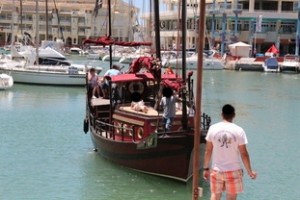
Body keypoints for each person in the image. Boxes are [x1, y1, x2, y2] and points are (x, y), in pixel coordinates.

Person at [203, 104, 257, 200]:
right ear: (234, 115)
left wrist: (206, 168)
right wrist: (249, 171)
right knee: (231, 197)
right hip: (233, 171)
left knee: (215, 195)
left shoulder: (213, 129)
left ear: (222, 114)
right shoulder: (239, 130)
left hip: (216, 170)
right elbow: (244, 154)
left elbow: (208, 151)